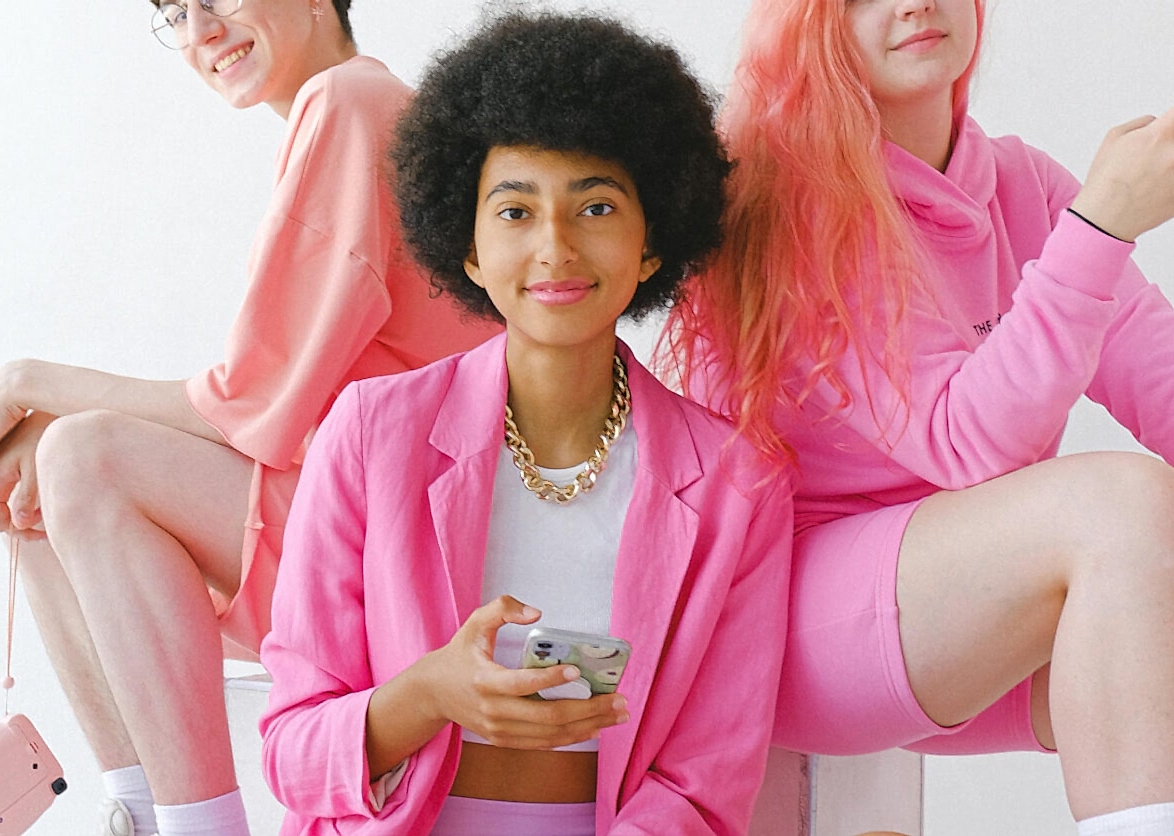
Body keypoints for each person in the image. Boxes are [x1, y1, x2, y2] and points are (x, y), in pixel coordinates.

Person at [0, 2, 498, 834]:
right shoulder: (348, 109)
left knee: (82, 454)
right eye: (174, 13)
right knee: (40, 467)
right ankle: (135, 811)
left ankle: (200, 827)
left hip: (416, 550)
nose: (200, 30)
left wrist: (27, 382)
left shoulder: (348, 102)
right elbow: (265, 406)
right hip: (372, 521)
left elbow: (252, 406)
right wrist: (32, 417)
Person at [257, 12, 793, 835]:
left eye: (598, 207)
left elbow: (703, 788)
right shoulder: (369, 434)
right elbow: (291, 753)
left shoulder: (738, 481)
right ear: (465, 247)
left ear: (653, 243)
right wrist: (430, 693)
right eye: (514, 211)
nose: (555, 247)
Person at [661, 0, 1174, 833]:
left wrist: (1089, 227)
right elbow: (962, 443)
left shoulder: (1022, 184)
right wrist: (1101, 226)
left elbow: (1162, 378)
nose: (914, 3)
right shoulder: (798, 202)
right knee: (1120, 505)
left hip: (967, 614)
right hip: (801, 622)